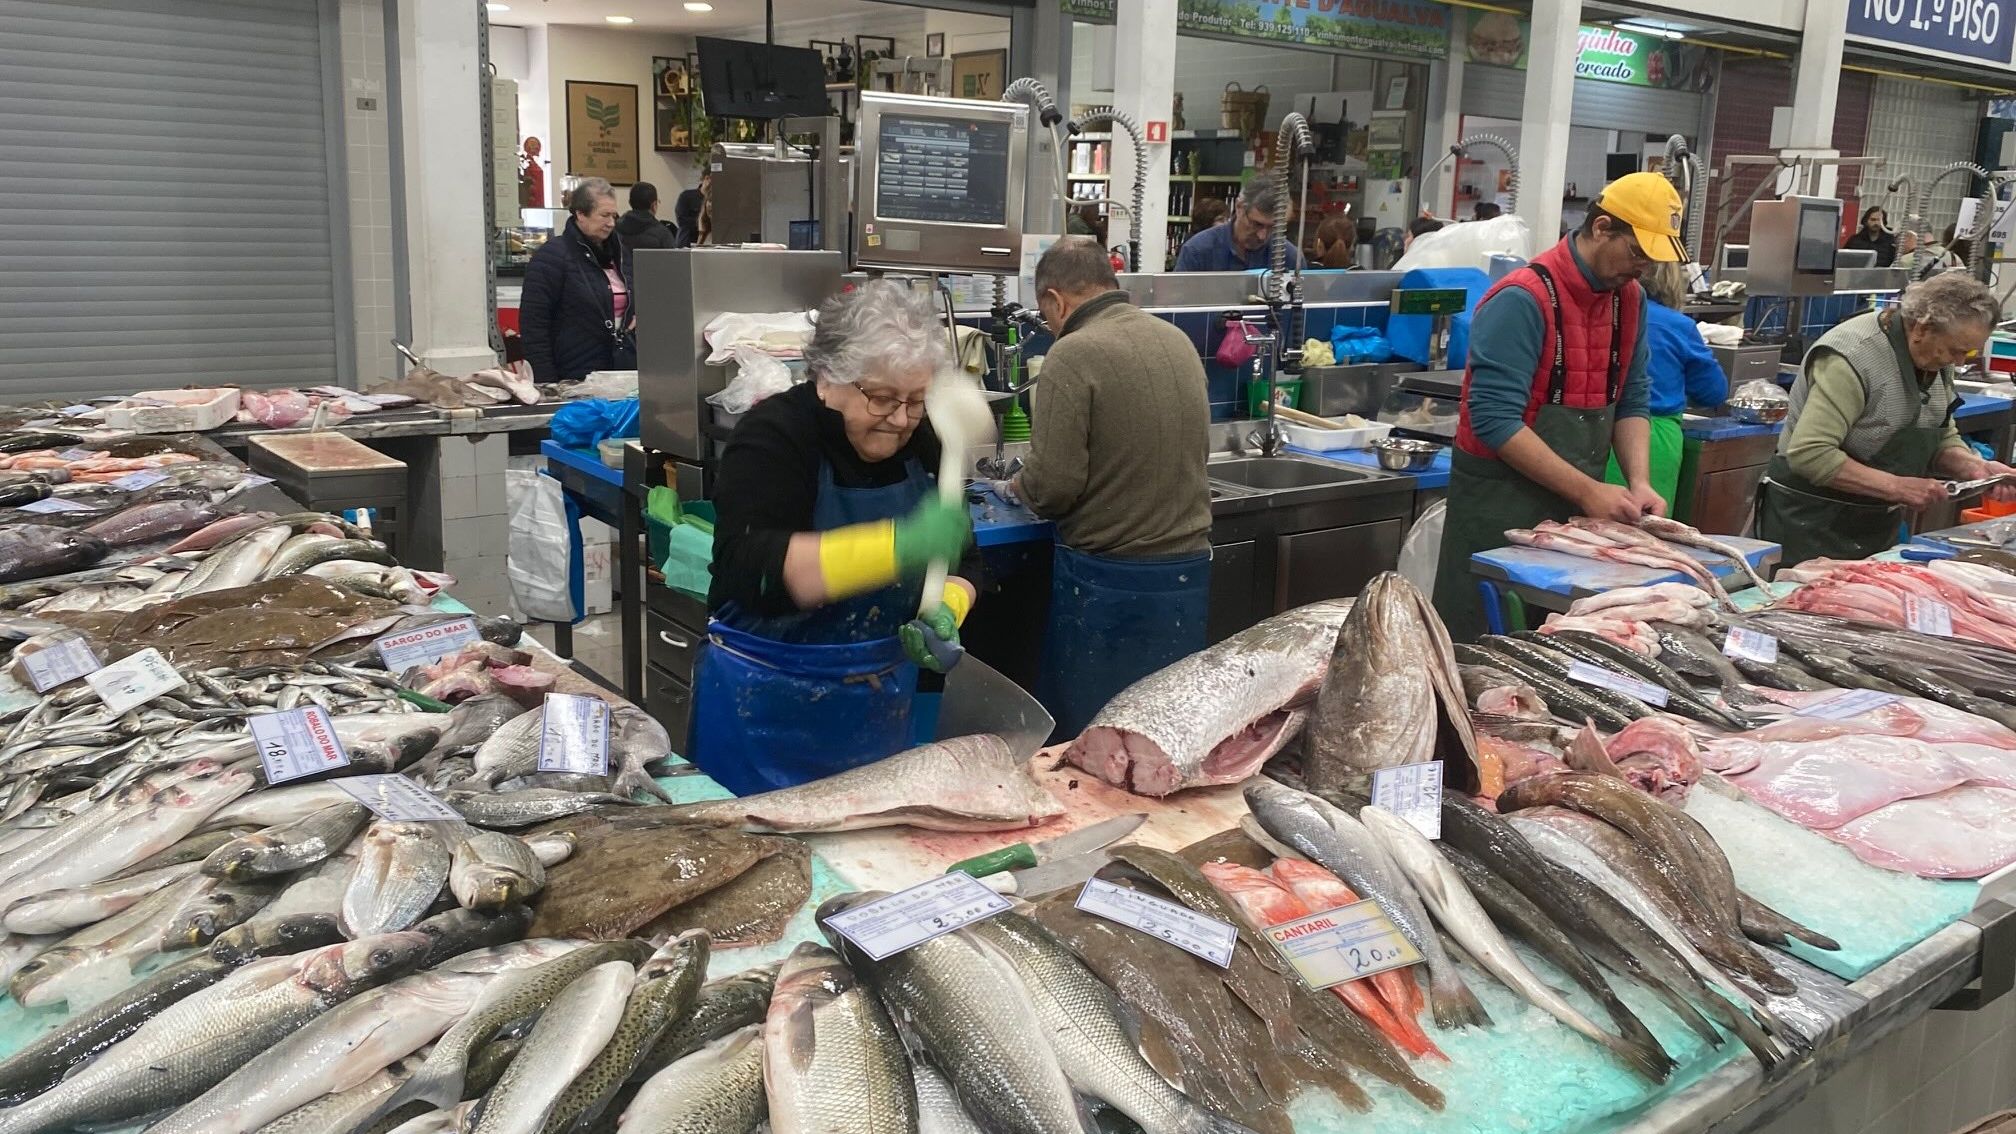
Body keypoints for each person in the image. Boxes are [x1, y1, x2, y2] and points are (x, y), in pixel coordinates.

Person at [691, 280, 975, 793]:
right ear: (827, 378)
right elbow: (752, 568)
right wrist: (899, 546)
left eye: (916, 400)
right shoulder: (773, 436)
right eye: (883, 398)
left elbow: (967, 561)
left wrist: (949, 605)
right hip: (761, 707)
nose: (901, 420)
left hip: (876, 710)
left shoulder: (928, 439)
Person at [1432, 172, 1681, 641]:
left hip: (1572, 516)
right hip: (1498, 511)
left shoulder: (1629, 300)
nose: (1644, 267)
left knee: (1557, 651)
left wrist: (1639, 481)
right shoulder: (1523, 299)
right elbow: (1495, 421)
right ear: (1603, 228)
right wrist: (1589, 491)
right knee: (1483, 653)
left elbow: (1632, 395)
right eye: (1638, 252)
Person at [996, 238, 1212, 738]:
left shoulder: (1072, 354)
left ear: (1054, 299)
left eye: (1044, 313)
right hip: (1187, 577)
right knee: (1166, 740)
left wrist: (1015, 487)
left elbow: (1054, 487)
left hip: (1111, 587)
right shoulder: (1175, 339)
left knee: (1091, 748)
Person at [1758, 272, 2016, 566]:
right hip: (1810, 523)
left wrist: (1976, 468)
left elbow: (1940, 431)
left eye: (1967, 352)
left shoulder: (1933, 354)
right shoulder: (1853, 356)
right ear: (1921, 328)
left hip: (1874, 523)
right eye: (1957, 351)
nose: (1959, 362)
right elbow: (1810, 453)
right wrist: (1897, 487)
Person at [1602, 262, 1727, 510]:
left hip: (1596, 431)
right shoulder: (1678, 326)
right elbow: (1713, 392)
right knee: (1645, 532)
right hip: (1653, 443)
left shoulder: (1603, 314)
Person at [519, 177, 634, 382]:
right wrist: (546, 382)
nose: (611, 223)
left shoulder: (621, 254)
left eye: (614, 216)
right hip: (573, 374)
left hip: (620, 372)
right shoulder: (552, 257)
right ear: (580, 214)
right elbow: (534, 325)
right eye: (604, 215)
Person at [1174, 180, 1302, 271]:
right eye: (1256, 224)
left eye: (1273, 228)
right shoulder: (1198, 251)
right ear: (1239, 207)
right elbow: (1176, 305)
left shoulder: (1290, 258)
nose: (1262, 236)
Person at [615, 182, 674, 274]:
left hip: (622, 282)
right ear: (654, 205)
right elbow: (673, 265)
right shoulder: (662, 233)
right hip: (653, 283)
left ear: (630, 203)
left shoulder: (614, 228)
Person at [1844, 206, 1911, 268]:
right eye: (1873, 219)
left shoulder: (1891, 240)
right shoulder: (1855, 240)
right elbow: (1845, 260)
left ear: (1884, 222)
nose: (1876, 223)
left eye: (1879, 220)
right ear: (1866, 221)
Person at [518, 136, 545, 209]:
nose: (537, 148)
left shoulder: (533, 163)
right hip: (532, 202)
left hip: (537, 201)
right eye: (533, 145)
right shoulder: (525, 163)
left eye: (537, 145)